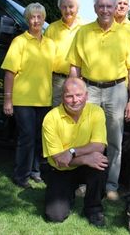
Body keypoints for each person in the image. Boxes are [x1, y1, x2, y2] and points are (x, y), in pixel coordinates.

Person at [67, 0, 130, 201]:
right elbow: (75, 66)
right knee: (85, 136)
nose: (105, 10)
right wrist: (74, 92)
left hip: (117, 90)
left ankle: (110, 185)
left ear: (114, 8)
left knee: (114, 140)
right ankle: (84, 182)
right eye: (101, 6)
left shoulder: (126, 34)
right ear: (95, 8)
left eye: (109, 6)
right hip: (88, 89)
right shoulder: (83, 32)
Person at [1, 3, 55, 188]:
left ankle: (36, 171)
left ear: (43, 18)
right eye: (32, 17)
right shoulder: (20, 42)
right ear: (27, 19)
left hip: (44, 99)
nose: (36, 20)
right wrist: (8, 99)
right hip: (23, 99)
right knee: (27, 136)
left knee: (40, 137)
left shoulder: (50, 44)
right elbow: (9, 72)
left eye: (40, 17)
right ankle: (21, 175)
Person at [42, 77, 108, 226]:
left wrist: (72, 151)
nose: (75, 100)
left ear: (86, 96)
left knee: (100, 162)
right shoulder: (51, 118)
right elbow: (59, 159)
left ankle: (93, 208)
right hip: (61, 169)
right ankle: (68, 193)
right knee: (55, 216)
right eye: (69, 96)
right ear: (62, 97)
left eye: (79, 95)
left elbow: (99, 146)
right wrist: (85, 158)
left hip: (85, 166)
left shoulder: (96, 112)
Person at [44, 0, 83, 107]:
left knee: (76, 112)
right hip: (57, 80)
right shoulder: (51, 29)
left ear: (77, 8)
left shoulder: (86, 28)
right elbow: (45, 55)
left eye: (71, 6)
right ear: (60, 8)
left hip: (80, 80)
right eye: (64, 7)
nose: (67, 10)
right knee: (56, 112)